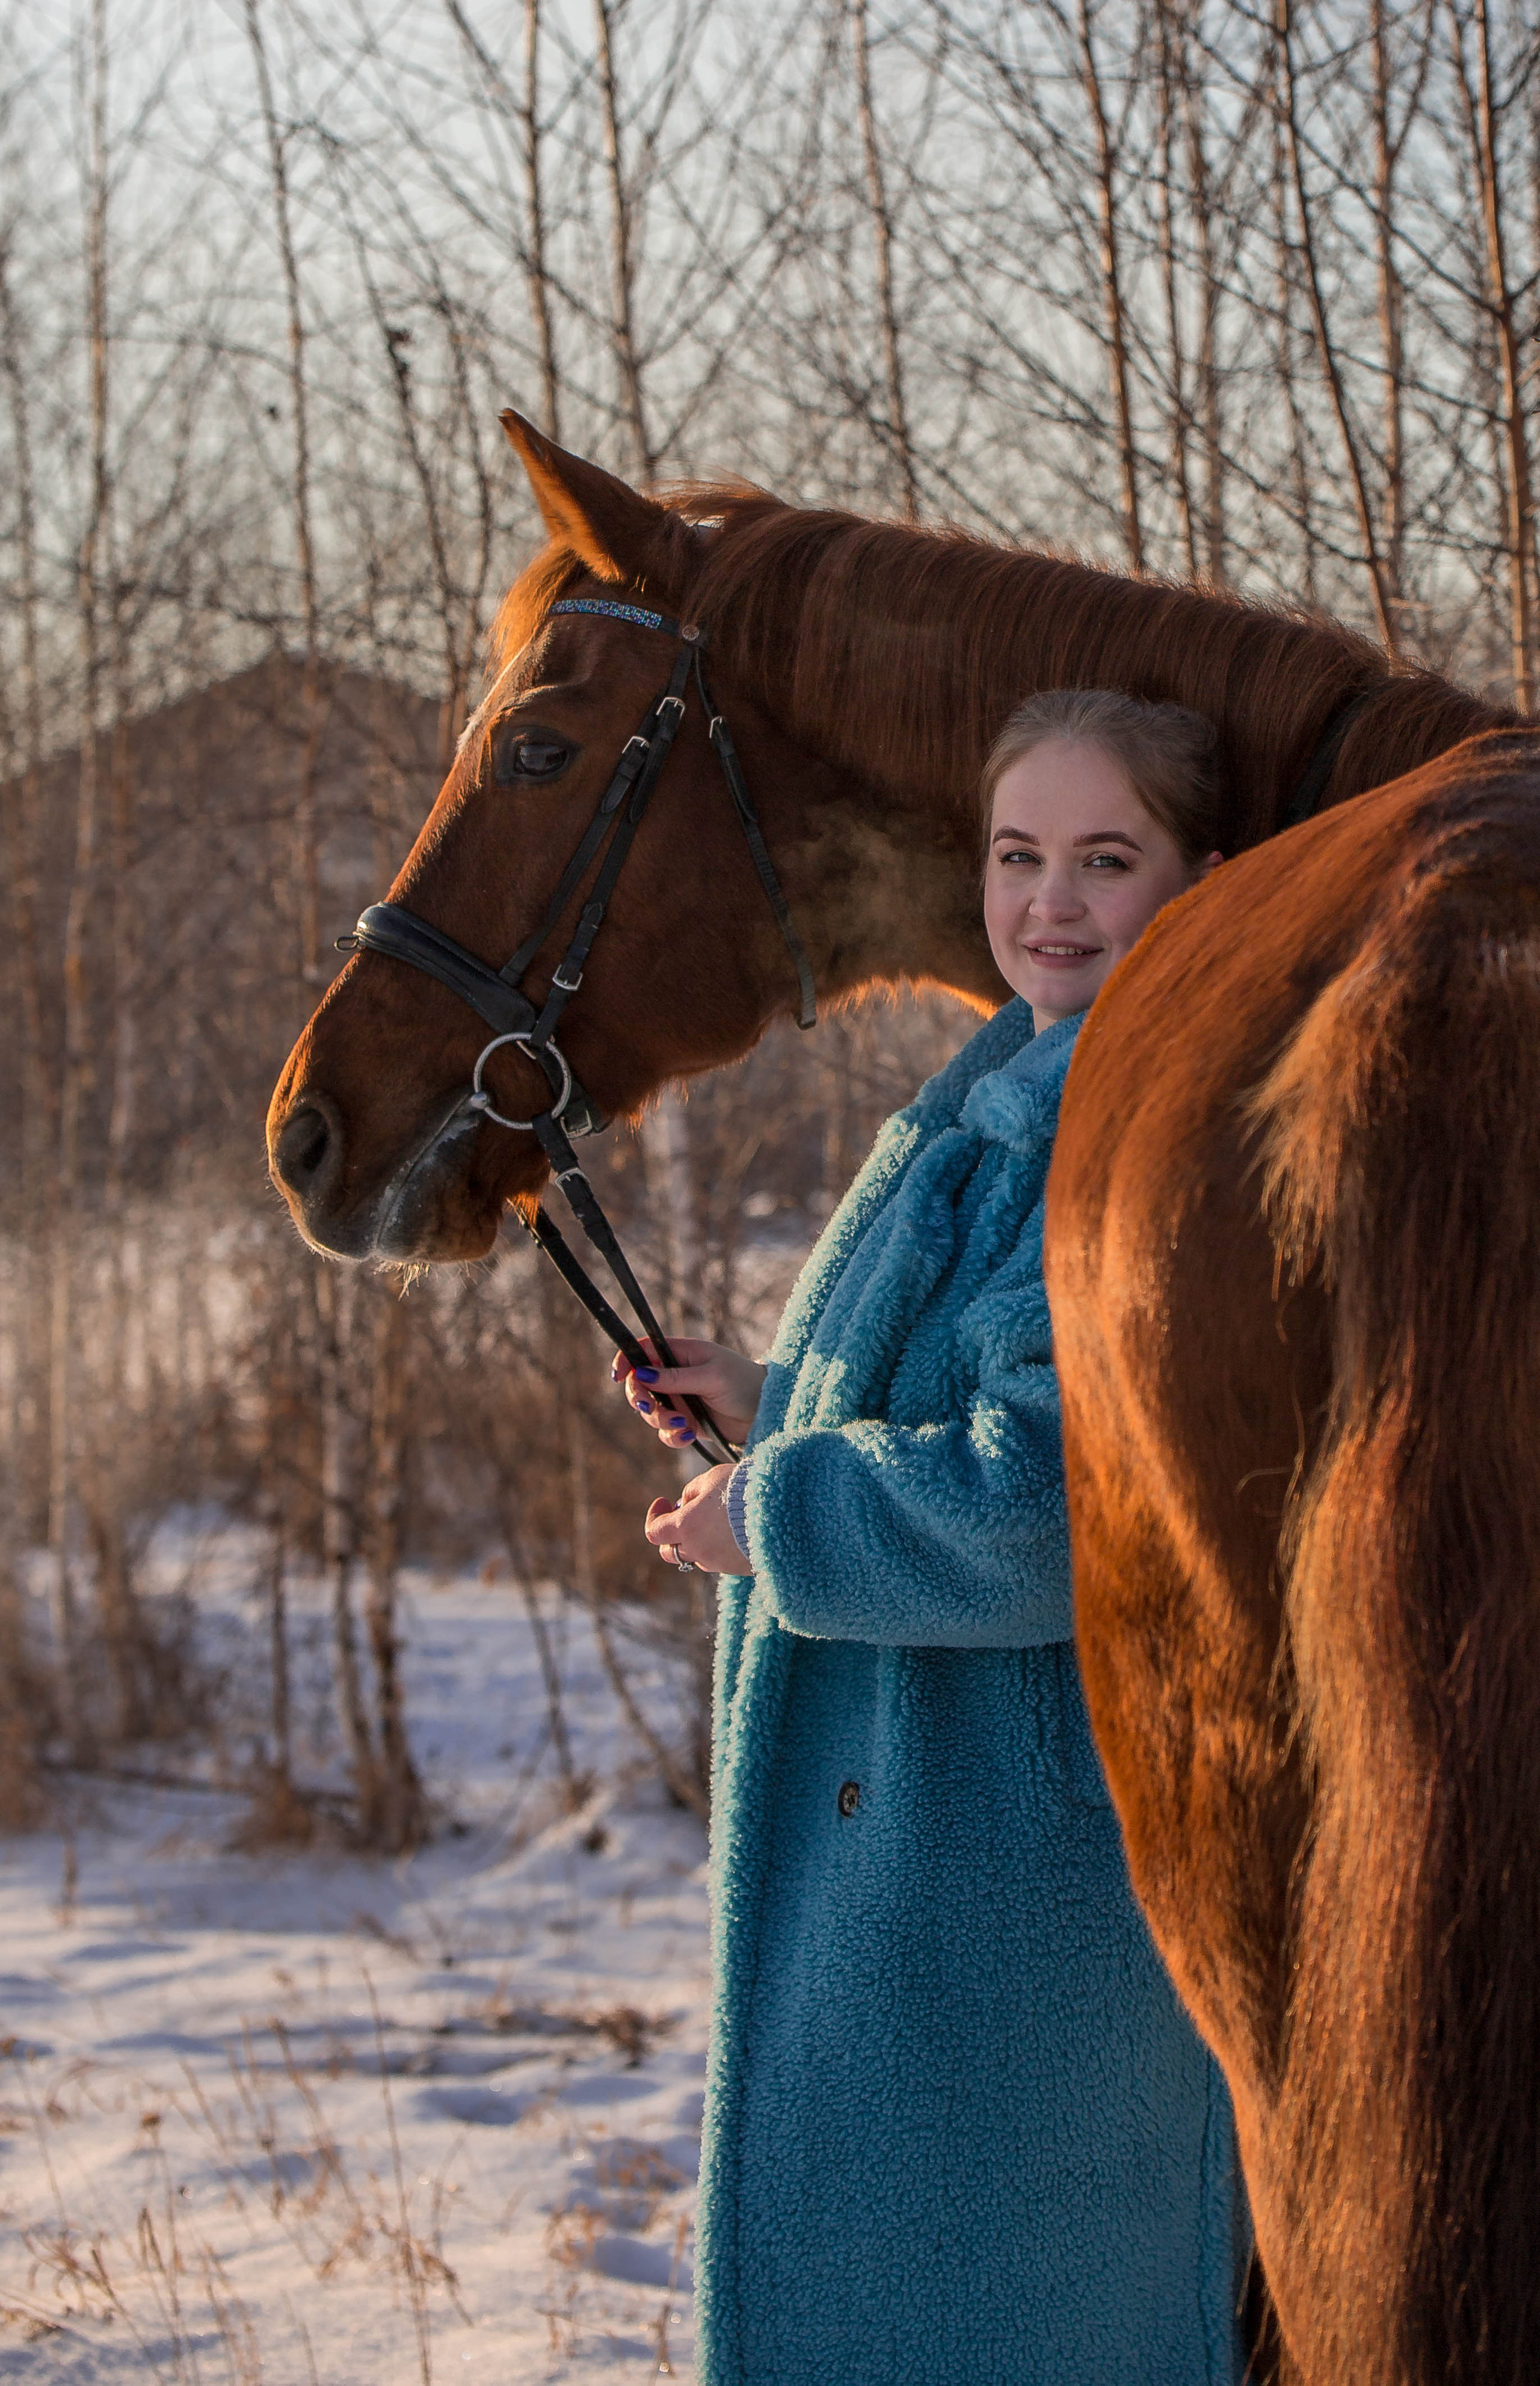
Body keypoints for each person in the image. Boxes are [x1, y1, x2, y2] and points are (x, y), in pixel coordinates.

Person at [617, 688, 1237, 2384]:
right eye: (1018, 854)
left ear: (1199, 879)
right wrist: (774, 1395)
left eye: (1108, 859)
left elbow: (1058, 1505)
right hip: (926, 1852)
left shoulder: (1135, 1141)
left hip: (1023, 1878)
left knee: (1015, 2318)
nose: (1050, 902)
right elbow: (967, 1388)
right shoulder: (998, 1097)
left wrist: (785, 1517)